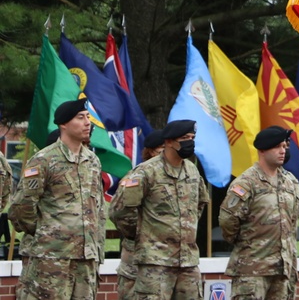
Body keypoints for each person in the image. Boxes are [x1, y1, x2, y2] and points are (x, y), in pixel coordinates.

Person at [9, 98, 106, 300]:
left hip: (86, 259)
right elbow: (21, 207)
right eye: (81, 118)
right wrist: (47, 232)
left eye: (88, 117)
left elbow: (97, 207)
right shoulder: (44, 160)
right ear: (63, 124)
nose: (88, 122)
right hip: (51, 259)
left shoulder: (92, 160)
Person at [110, 118, 209, 299]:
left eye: (192, 138)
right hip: (155, 262)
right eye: (185, 138)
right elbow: (120, 210)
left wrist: (185, 229)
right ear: (169, 142)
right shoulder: (147, 172)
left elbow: (200, 204)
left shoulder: (192, 171)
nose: (190, 142)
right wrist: (139, 235)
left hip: (188, 262)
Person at [219, 126, 299, 300]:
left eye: (284, 146)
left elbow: (293, 218)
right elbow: (228, 221)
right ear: (263, 150)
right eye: (278, 147)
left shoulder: (290, 182)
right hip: (252, 270)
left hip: (282, 269)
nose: (283, 150)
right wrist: (247, 245)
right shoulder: (246, 183)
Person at [116, 129, 165, 300]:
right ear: (151, 151)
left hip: (167, 259)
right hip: (138, 256)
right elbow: (120, 212)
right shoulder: (137, 177)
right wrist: (138, 234)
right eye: (161, 150)